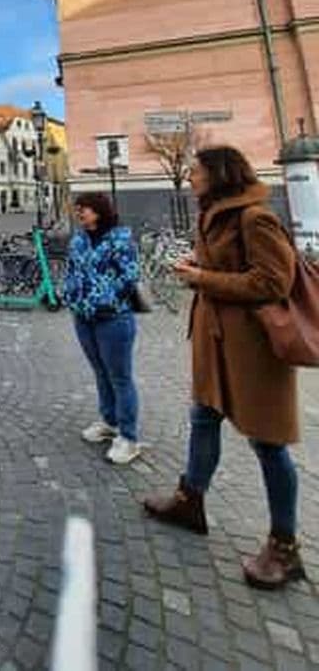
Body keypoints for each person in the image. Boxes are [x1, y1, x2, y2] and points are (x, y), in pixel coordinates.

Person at [144, 146, 304, 589]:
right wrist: (200, 266)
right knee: (203, 418)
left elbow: (275, 280)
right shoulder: (211, 211)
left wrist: (202, 279)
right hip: (215, 343)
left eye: (195, 170)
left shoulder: (254, 217)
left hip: (253, 349)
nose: (190, 177)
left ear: (218, 174)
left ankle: (285, 547)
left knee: (268, 443)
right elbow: (228, 266)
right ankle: (190, 500)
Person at [63, 193, 142, 465]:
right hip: (83, 317)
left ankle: (129, 438)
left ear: (99, 211)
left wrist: (106, 300)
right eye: (77, 209)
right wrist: (70, 297)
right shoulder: (78, 239)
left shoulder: (120, 240)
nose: (79, 213)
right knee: (100, 371)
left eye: (83, 209)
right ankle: (109, 421)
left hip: (113, 319)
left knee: (120, 377)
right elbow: (72, 271)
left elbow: (130, 276)